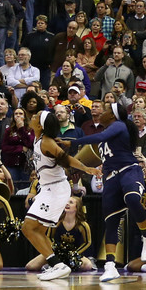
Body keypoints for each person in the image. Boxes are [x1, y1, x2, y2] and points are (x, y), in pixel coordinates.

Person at [67, 102, 146, 281]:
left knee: (132, 199)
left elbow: (100, 136)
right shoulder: (109, 135)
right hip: (110, 178)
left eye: (107, 109)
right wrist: (79, 168)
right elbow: (96, 155)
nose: (103, 112)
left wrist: (73, 141)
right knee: (111, 222)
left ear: (113, 115)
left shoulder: (118, 124)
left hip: (128, 170)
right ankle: (110, 265)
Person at [20, 108, 98, 280]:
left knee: (28, 228)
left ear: (40, 125)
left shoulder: (46, 142)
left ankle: (58, 265)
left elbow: (66, 159)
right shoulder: (39, 139)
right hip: (48, 188)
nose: (33, 117)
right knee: (38, 230)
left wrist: (86, 168)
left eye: (36, 116)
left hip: (55, 189)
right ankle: (56, 264)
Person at [25, 196, 95, 274]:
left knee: (88, 265)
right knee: (30, 266)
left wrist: (75, 253)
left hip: (74, 254)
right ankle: (55, 264)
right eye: (66, 201)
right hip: (56, 253)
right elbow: (49, 237)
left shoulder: (83, 225)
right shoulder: (57, 221)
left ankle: (60, 265)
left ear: (77, 207)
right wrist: (53, 250)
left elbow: (87, 242)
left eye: (71, 202)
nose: (67, 204)